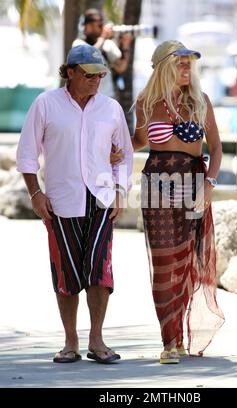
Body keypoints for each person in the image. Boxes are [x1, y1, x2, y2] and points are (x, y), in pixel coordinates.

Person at [16, 44, 133, 364]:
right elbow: (26, 154)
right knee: (66, 273)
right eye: (89, 74)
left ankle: (97, 340)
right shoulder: (45, 104)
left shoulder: (110, 109)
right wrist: (35, 194)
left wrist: (121, 190)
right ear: (70, 72)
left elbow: (124, 154)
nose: (96, 80)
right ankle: (71, 342)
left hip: (102, 199)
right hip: (60, 201)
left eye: (101, 74)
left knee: (100, 270)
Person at [131, 40, 225, 364]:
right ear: (163, 67)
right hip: (157, 184)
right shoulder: (145, 102)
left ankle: (179, 338)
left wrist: (209, 185)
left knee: (185, 262)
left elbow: (216, 148)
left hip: (192, 183)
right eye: (180, 62)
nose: (187, 68)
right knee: (163, 264)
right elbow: (138, 141)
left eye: (189, 62)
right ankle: (168, 340)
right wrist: (112, 148)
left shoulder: (201, 101)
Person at [73, 8, 132, 98]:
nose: (101, 25)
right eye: (98, 22)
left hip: (107, 98)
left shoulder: (108, 44)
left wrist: (125, 46)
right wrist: (103, 37)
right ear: (87, 25)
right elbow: (89, 57)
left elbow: (121, 67)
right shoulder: (78, 44)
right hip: (85, 99)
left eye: (102, 22)